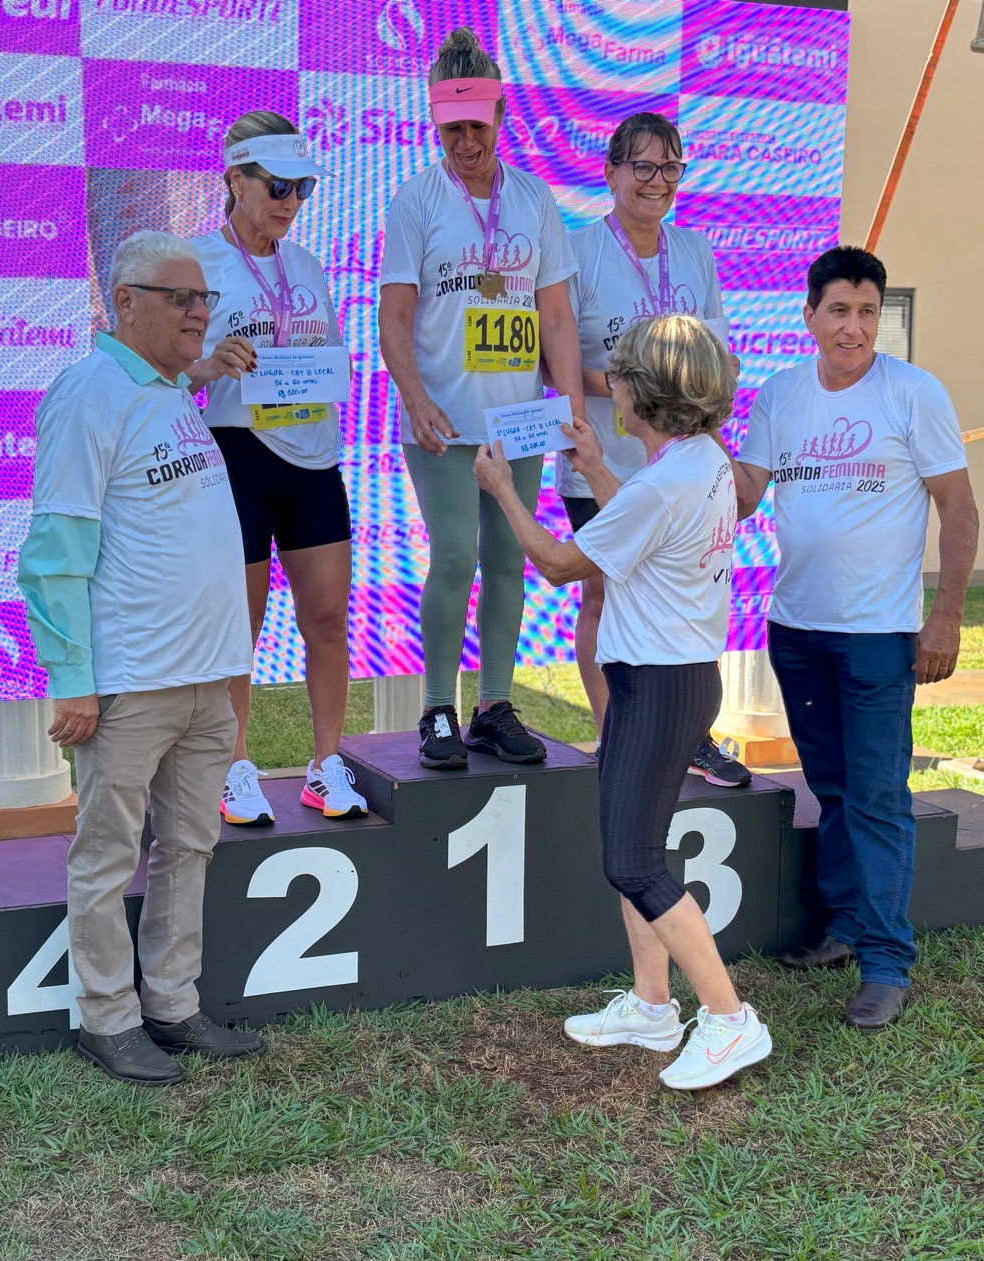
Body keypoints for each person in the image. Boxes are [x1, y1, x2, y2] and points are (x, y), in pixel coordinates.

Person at [474, 314, 772, 1091]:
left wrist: (504, 491)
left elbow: (558, 565)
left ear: (643, 392)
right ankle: (650, 1005)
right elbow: (641, 515)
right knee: (636, 849)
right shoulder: (698, 461)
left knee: (631, 860)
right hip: (672, 679)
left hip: (657, 684)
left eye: (618, 375)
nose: (609, 385)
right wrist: (599, 466)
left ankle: (730, 1019)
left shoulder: (667, 480)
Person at [17, 231, 264, 1086]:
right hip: (129, 682)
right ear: (126, 303)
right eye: (183, 299)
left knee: (189, 845)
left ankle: (171, 1002)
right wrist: (73, 678)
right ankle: (106, 1017)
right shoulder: (88, 394)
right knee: (107, 854)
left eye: (206, 301)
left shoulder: (163, 389)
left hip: (203, 678)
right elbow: (53, 550)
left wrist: (200, 371)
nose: (202, 312)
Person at [735, 245, 978, 1029]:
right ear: (808, 316)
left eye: (866, 311)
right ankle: (841, 928)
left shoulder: (912, 394)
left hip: (878, 633)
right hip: (795, 629)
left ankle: (884, 962)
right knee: (832, 788)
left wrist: (943, 616)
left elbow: (958, 509)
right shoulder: (778, 396)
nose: (853, 326)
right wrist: (676, 442)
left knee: (876, 797)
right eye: (837, 310)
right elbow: (742, 495)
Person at [379, 27, 585, 769]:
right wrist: (413, 395)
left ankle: (494, 705)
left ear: (501, 120)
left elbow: (555, 314)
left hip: (518, 421)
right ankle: (437, 708)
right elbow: (394, 315)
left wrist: (574, 410)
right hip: (442, 420)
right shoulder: (416, 200)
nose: (465, 142)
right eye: (451, 129)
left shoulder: (533, 200)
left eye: (476, 126)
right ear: (435, 124)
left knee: (507, 560)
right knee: (456, 554)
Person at [557, 109, 750, 789]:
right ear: (610, 172)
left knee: (684, 599)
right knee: (604, 598)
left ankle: (690, 735)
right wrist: (631, 383)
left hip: (685, 466)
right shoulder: (577, 252)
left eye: (670, 167)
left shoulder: (693, 249)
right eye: (642, 166)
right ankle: (618, 732)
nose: (657, 180)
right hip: (607, 457)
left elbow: (716, 353)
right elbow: (556, 359)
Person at [187, 111, 368, 823]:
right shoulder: (197, 262)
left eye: (304, 188)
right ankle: (233, 767)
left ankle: (326, 765)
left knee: (326, 618)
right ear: (234, 178)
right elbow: (162, 372)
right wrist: (206, 365)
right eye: (278, 186)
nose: (291, 202)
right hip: (235, 455)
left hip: (311, 458)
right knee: (242, 627)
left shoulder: (309, 265)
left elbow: (324, 360)